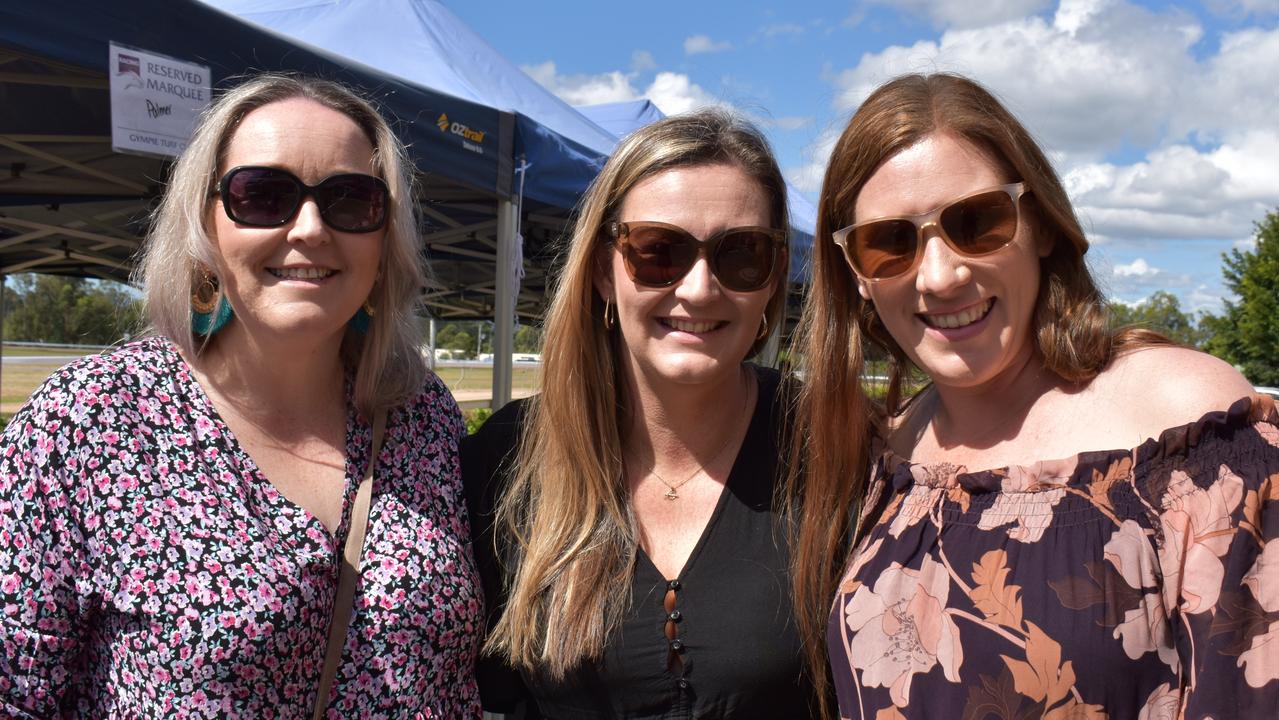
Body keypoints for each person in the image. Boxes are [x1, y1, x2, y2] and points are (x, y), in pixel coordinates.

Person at [793, 72, 1279, 719]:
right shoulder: (886, 455)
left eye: (977, 221)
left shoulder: (1186, 423)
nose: (940, 276)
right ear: (855, 274)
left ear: (1043, 225)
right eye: (889, 243)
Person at [0, 75, 482, 718]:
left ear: (384, 237)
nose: (309, 228)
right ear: (206, 224)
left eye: (350, 200)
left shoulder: (421, 415)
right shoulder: (86, 422)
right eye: (262, 195)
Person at [462, 109, 818, 718]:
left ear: (774, 276)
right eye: (659, 251)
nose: (700, 289)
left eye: (741, 254)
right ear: (605, 271)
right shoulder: (508, 458)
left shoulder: (832, 446)